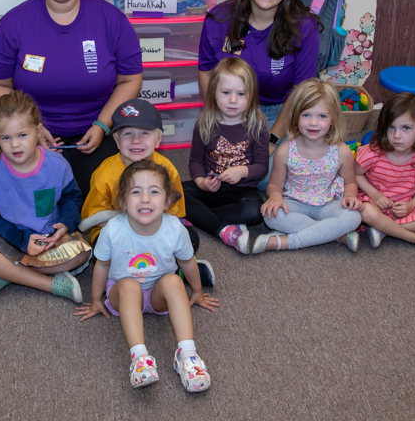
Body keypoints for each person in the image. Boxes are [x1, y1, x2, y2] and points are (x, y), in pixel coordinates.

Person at [0, 0, 143, 198]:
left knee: (105, 197)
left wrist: (102, 125)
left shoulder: (111, 20)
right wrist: (31, 128)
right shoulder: (14, 23)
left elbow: (130, 80)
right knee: (31, 201)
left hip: (96, 131)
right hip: (32, 134)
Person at [74, 160, 219, 392]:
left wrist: (198, 292)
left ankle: (188, 355)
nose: (145, 199)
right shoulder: (112, 229)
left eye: (154, 191)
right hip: (122, 292)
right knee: (130, 285)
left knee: (174, 280)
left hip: (157, 293)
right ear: (121, 200)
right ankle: (140, 358)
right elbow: (101, 266)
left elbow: (187, 262)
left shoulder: (175, 228)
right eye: (135, 192)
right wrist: (96, 301)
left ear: (168, 200)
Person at [198, 0, 320, 189]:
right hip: (230, 108)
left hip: (279, 112)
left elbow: (300, 91)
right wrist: (218, 117)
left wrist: (273, 138)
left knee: (265, 179)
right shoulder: (219, 18)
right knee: (218, 171)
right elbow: (207, 71)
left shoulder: (305, 27)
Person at [0, 91, 88, 303]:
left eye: (22, 135)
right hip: (9, 238)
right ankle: (48, 284)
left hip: (47, 240)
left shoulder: (58, 165)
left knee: (84, 253)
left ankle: (6, 273)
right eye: (6, 138)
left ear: (38, 130)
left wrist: (65, 225)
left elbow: (72, 198)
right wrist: (23, 242)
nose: (15, 145)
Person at [80, 99, 214, 286]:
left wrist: (151, 232)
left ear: (159, 139)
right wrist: (131, 230)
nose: (136, 140)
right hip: (117, 234)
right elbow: (94, 218)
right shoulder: (104, 174)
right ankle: (170, 272)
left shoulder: (166, 168)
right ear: (117, 141)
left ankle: (167, 272)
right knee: (101, 253)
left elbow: (175, 214)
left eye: (145, 133)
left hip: (156, 230)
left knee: (190, 239)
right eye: (128, 134)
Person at [255, 78, 362, 253]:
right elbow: (274, 185)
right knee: (270, 215)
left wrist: (350, 196)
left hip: (328, 203)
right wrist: (275, 197)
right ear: (296, 117)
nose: (313, 123)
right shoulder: (285, 151)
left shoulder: (341, 151)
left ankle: (286, 242)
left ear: (333, 119)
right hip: (294, 202)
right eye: (306, 115)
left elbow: (350, 182)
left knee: (354, 217)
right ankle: (333, 234)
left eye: (322, 116)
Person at [183, 58, 269, 254]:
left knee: (256, 212)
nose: (233, 100)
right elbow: (195, 161)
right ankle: (216, 223)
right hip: (211, 190)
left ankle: (199, 217)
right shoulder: (204, 123)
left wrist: (243, 171)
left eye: (241, 94)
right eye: (226, 93)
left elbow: (262, 167)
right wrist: (201, 182)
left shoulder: (258, 124)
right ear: (213, 93)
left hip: (242, 192)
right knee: (172, 191)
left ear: (252, 95)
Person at [355, 93, 415, 253]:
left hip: (408, 205)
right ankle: (413, 238)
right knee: (364, 212)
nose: (397, 135)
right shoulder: (373, 152)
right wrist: (375, 195)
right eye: (391, 127)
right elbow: (356, 174)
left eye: (406, 128)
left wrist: (411, 205)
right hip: (374, 203)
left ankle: (384, 229)